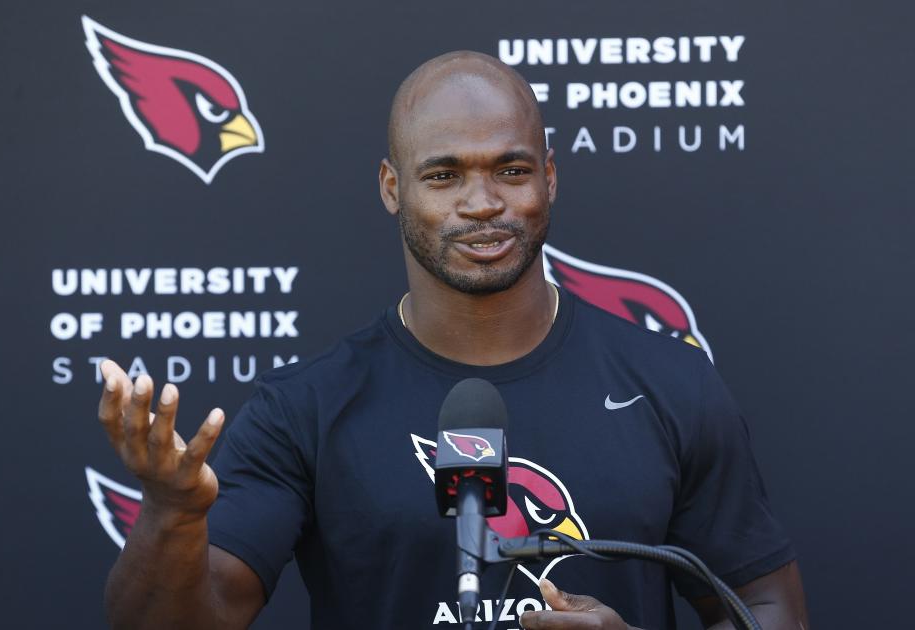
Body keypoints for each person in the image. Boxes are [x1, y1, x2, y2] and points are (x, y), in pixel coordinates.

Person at [96, 51, 809, 629]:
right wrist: (172, 516)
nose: (482, 203)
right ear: (391, 187)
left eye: (511, 169)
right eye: (443, 175)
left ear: (550, 179)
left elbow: (769, 608)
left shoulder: (670, 385)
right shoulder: (304, 409)